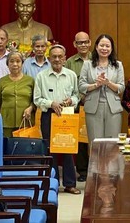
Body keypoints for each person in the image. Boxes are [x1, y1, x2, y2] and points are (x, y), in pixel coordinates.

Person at [33, 45, 80, 194]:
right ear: (49, 58)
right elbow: (36, 99)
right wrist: (50, 103)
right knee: (49, 149)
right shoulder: (41, 76)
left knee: (68, 149)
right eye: (54, 57)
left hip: (67, 115)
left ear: (65, 58)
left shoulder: (71, 75)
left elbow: (77, 96)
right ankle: (51, 184)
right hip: (49, 115)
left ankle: (70, 184)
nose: (57, 59)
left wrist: (70, 101)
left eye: (60, 56)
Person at [79, 34, 125, 145]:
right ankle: (96, 163)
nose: (104, 48)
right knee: (95, 143)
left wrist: (108, 83)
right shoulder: (87, 65)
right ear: (96, 47)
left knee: (112, 144)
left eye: (107, 46)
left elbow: (121, 87)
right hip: (93, 108)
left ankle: (111, 163)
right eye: (102, 45)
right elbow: (81, 86)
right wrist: (96, 84)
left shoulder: (118, 65)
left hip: (113, 108)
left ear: (111, 48)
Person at [64, 31, 91, 182]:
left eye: (85, 42)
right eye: (80, 42)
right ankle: (82, 171)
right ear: (74, 44)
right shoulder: (70, 62)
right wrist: (81, 98)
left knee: (96, 137)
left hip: (95, 103)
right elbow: (69, 85)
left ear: (90, 42)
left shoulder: (97, 59)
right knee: (81, 138)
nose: (83, 45)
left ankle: (97, 169)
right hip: (78, 105)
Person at [0, 52, 35, 138]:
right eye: (11, 61)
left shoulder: (30, 80)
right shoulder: (2, 81)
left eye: (18, 61)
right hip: (6, 122)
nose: (15, 64)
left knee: (24, 148)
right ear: (7, 64)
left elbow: (35, 100)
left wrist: (30, 108)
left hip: (25, 121)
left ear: (22, 63)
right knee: (7, 148)